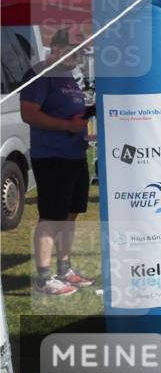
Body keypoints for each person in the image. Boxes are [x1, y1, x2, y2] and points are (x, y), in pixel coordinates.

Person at [19, 29, 96, 296]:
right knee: (51, 216)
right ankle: (43, 278)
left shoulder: (68, 76)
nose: (77, 56)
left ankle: (65, 269)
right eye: (73, 50)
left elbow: (70, 114)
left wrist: (84, 121)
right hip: (51, 156)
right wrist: (67, 125)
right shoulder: (41, 74)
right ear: (56, 48)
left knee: (71, 215)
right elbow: (29, 114)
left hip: (75, 154)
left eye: (81, 51)